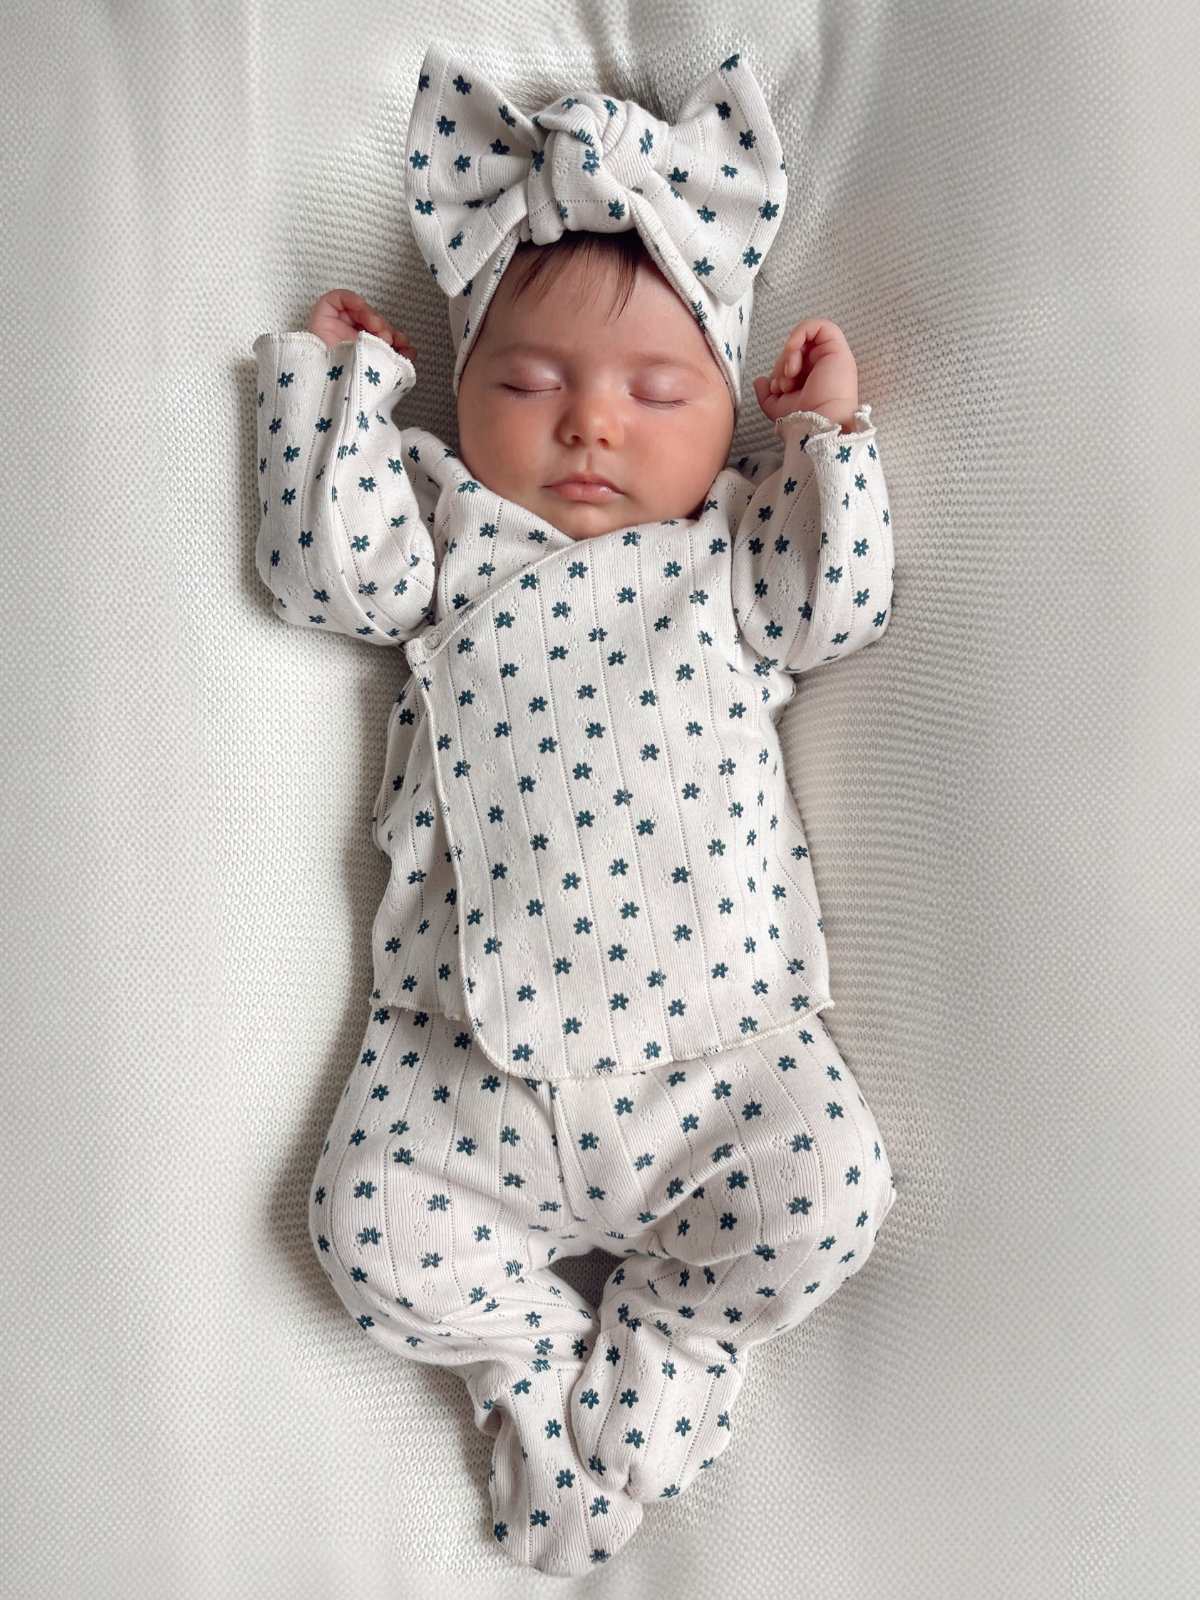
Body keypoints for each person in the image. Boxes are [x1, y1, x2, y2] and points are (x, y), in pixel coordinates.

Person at [254, 44, 897, 1577]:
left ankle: (664, 1352)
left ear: (720, 407)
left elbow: (843, 604)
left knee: (836, 1192)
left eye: (655, 391)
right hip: (459, 1063)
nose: (590, 424)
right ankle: (535, 1383)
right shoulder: (444, 539)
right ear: (465, 389)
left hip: (719, 1058)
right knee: (360, 1227)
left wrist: (826, 440)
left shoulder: (732, 550)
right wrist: (341, 389)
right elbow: (315, 573)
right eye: (530, 384)